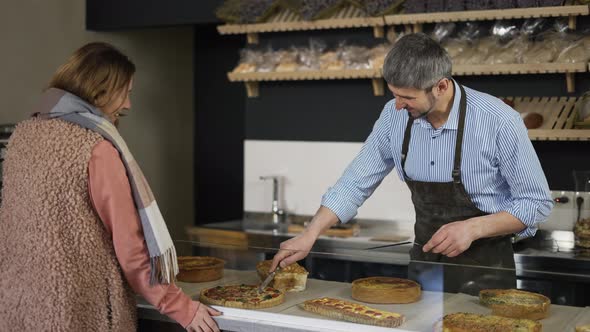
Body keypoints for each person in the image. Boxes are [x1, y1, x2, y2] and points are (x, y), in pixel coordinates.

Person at [270, 33, 553, 295]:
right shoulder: (394, 117)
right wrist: (310, 234)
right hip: (424, 269)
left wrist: (473, 228)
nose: (398, 105)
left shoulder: (499, 121)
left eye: (407, 97)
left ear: (441, 86)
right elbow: (354, 183)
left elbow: (536, 203)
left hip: (486, 273)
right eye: (394, 94)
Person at [0, 42, 220, 332]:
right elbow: (132, 248)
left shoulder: (22, 136)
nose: (128, 104)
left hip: (19, 306)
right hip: (82, 310)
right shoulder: (96, 148)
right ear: (101, 90)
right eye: (126, 92)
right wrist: (181, 308)